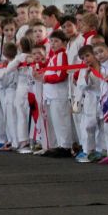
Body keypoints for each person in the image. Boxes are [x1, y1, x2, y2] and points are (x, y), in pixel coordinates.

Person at [39, 30, 73, 158]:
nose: (53, 44)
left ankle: (65, 146)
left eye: (56, 41)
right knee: (56, 121)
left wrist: (46, 78)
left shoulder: (62, 55)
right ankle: (59, 144)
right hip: (52, 94)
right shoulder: (54, 56)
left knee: (61, 120)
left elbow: (61, 75)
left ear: (64, 43)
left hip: (59, 94)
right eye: (51, 41)